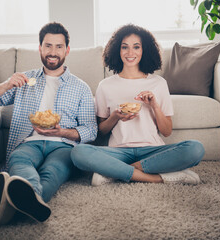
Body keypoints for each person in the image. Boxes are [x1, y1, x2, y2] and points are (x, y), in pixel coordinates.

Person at [0, 22, 97, 227]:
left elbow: (91, 130)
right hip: (28, 142)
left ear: (67, 50)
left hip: (62, 145)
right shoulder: (23, 79)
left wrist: (64, 132)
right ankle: (31, 200)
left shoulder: (81, 87)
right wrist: (6, 84)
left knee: (53, 170)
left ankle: (11, 204)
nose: (53, 52)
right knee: (19, 161)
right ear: (40, 48)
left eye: (59, 46)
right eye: (48, 46)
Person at [71, 24, 204, 187]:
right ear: (117, 50)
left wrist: (154, 105)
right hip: (118, 151)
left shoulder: (158, 83)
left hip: (152, 150)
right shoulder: (105, 85)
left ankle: (116, 173)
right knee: (78, 152)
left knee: (195, 148)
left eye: (136, 47)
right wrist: (115, 116)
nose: (130, 53)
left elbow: (167, 131)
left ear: (144, 50)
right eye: (124, 47)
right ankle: (158, 178)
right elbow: (101, 131)